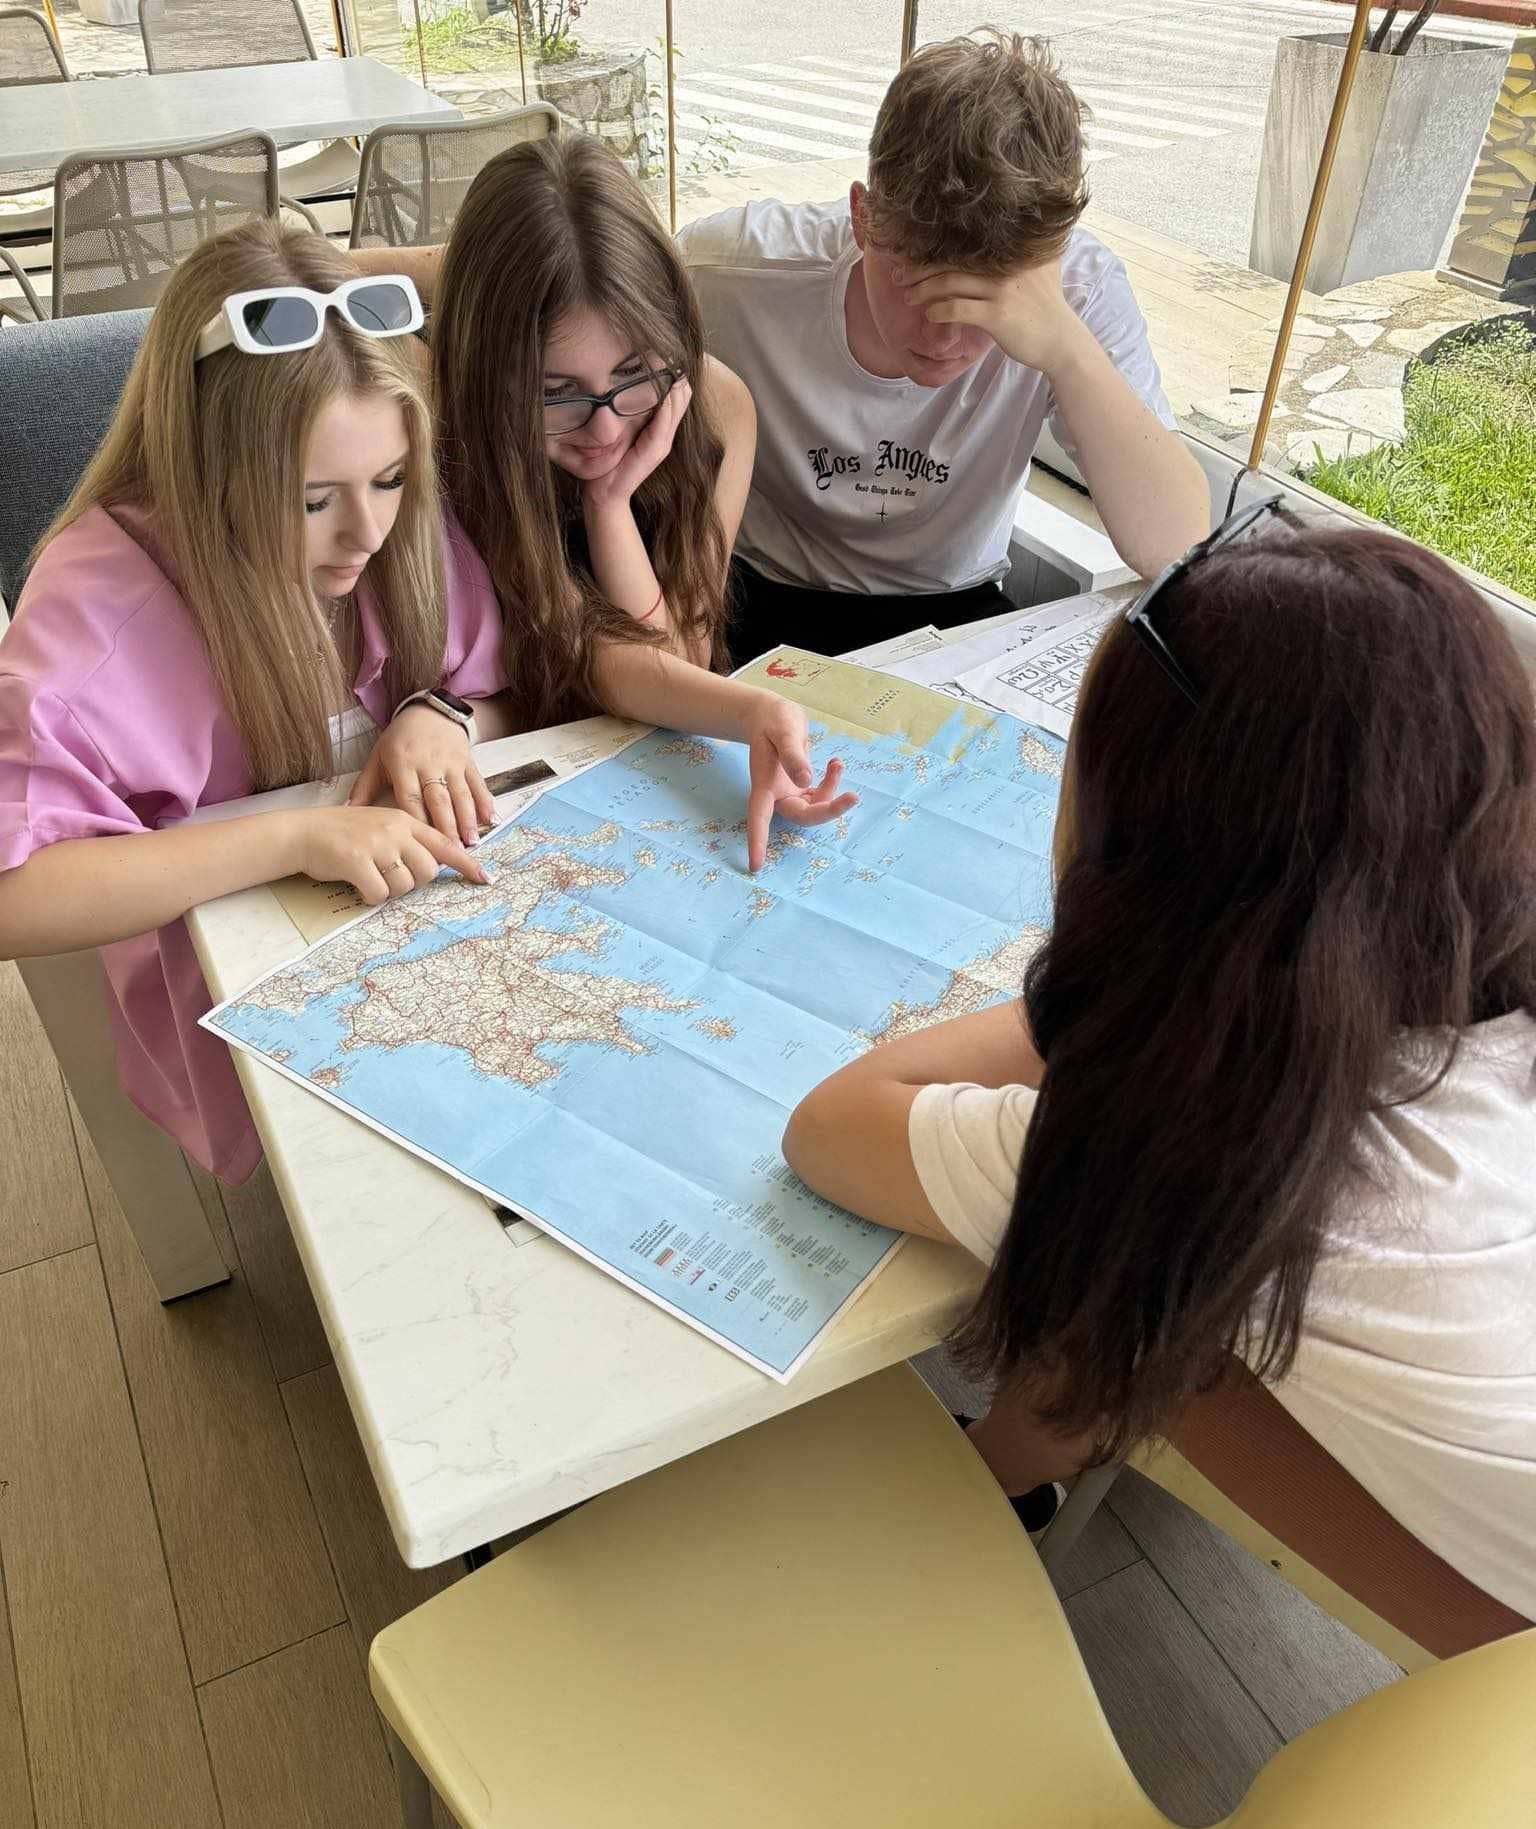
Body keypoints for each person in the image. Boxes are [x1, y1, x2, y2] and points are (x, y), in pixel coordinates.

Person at [783, 513, 1536, 1642]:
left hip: (1500, 1684)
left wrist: (1122, 989)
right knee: (1155, 1282)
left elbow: (829, 1129)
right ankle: (1007, 1470)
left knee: (1133, 1254)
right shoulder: (1473, 1001)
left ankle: (981, 1488)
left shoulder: (1209, 1138)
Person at [0, 221, 510, 1186]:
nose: (367, 533)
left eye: (391, 480)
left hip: (423, 948)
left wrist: (442, 714)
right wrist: (296, 836)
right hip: (242, 1004)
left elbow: (504, 683)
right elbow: (14, 897)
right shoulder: (99, 616)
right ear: (205, 470)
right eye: (313, 500)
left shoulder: (399, 529)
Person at [364, 131, 856, 870]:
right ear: (485, 373)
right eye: (554, 393)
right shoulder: (437, 433)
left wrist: (609, 505)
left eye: (633, 375)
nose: (604, 428)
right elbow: (560, 664)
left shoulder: (715, 408)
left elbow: (680, 659)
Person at [675, 30, 1213, 662]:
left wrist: (1066, 349)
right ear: (862, 216)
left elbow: (1177, 545)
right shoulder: (727, 273)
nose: (943, 338)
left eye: (987, 301)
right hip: (762, 594)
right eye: (914, 281)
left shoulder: (1078, 294)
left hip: (957, 610)